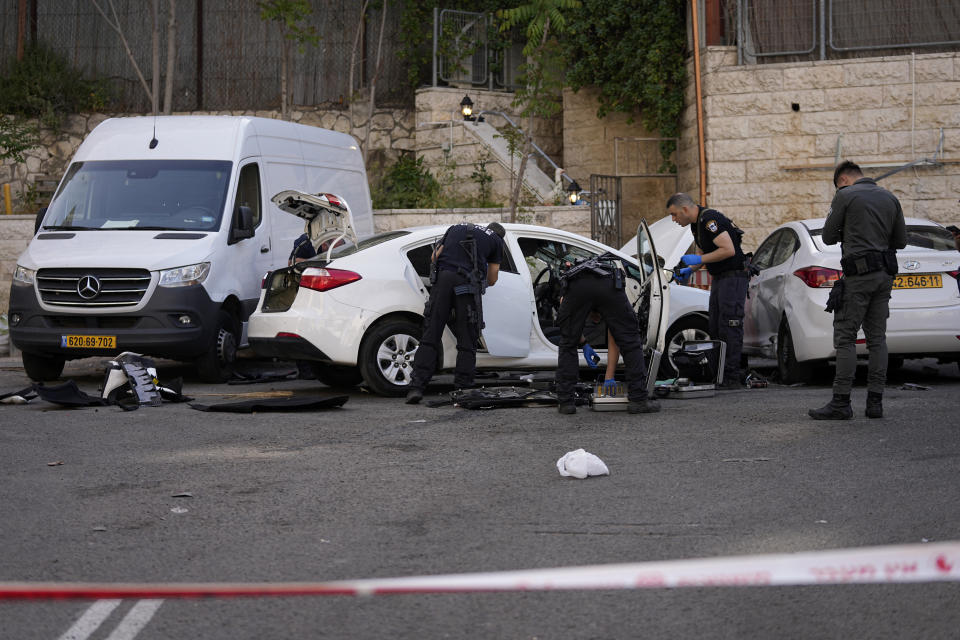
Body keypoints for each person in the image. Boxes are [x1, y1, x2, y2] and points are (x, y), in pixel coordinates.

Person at [809, 160, 906, 420]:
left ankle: (841, 402)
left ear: (843, 180)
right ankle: (875, 403)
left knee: (846, 337)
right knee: (877, 340)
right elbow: (901, 241)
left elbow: (828, 237)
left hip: (858, 277)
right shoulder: (890, 197)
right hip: (884, 276)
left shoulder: (846, 196)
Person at [405, 222, 505, 404]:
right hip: (466, 287)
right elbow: (492, 277)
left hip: (443, 281)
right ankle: (463, 387)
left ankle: (416, 387)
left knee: (431, 335)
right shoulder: (496, 240)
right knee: (467, 338)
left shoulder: (457, 227)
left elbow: (435, 256)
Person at [554, 253, 659, 415]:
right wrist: (584, 344)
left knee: (567, 343)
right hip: (607, 284)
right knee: (630, 341)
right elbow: (621, 338)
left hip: (579, 287)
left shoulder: (571, 285)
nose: (596, 320)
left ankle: (566, 402)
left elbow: (568, 330)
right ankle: (638, 399)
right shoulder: (613, 293)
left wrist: (609, 375)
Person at [665, 193, 748, 388]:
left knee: (730, 325)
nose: (674, 220)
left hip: (733, 277)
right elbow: (702, 252)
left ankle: (732, 377)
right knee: (716, 327)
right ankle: (720, 373)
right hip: (721, 278)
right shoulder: (697, 224)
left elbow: (728, 250)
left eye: (675, 215)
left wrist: (699, 261)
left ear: (685, 209)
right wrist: (689, 270)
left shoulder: (711, 220)